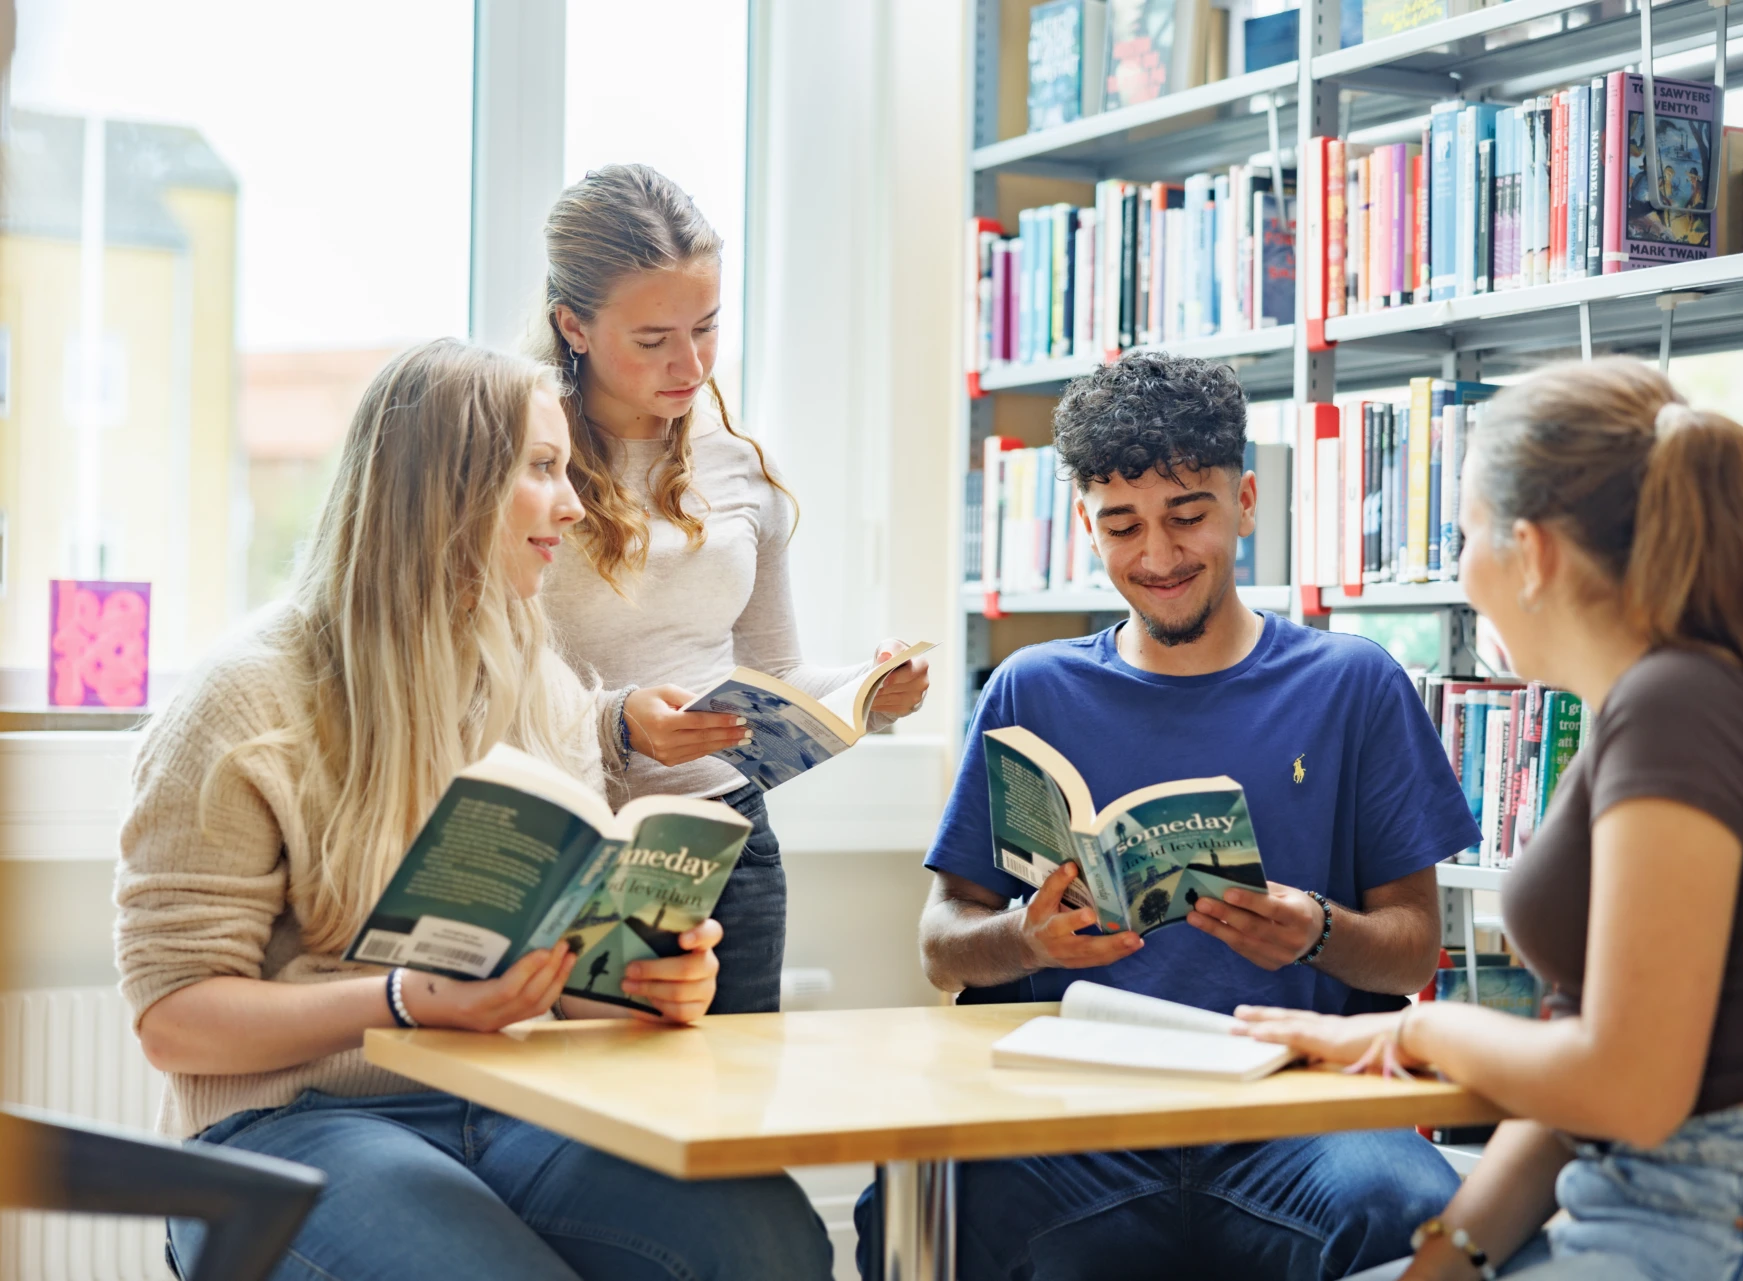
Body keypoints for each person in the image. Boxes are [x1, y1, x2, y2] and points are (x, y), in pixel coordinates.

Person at [118, 340, 832, 1281]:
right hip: (288, 1121)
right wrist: (405, 999)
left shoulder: (539, 686)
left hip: (510, 1098)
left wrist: (638, 983)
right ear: (445, 492)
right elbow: (173, 1017)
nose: (575, 504)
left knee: (767, 1242)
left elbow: (538, 973)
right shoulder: (245, 699)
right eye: (542, 469)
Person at [1239, 358, 1743, 1281]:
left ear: (1536, 553)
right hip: (1680, 1203)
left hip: (1737, 1215)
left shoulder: (1680, 706)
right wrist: (1445, 1261)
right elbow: (1578, 1085)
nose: (1459, 570)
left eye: (1467, 535)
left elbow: (1626, 1084)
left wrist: (1415, 1031)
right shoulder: (1662, 707)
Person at [855, 350, 1484, 1280]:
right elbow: (941, 943)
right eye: (1122, 526)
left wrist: (1314, 932)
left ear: (1247, 501)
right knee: (916, 1206)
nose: (1157, 557)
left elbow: (1411, 945)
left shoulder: (1353, 684)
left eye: (1188, 516)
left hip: (1291, 1121)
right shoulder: (1031, 689)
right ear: (1086, 524)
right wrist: (1026, 940)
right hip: (1079, 1127)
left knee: (1419, 1209)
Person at [536, 163, 931, 1014]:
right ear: (572, 323)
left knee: (726, 1117)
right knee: (580, 1125)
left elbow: (770, 673)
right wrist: (617, 724)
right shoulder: (517, 462)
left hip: (725, 842)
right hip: (566, 840)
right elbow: (470, 685)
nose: (690, 364)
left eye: (707, 327)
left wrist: (872, 690)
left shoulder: (739, 466)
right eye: (653, 339)